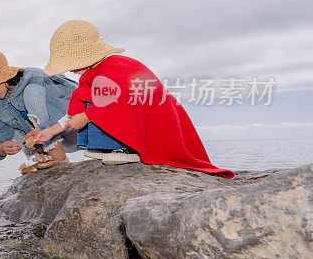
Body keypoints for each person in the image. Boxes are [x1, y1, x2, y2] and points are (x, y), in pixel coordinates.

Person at [30, 20, 234, 178]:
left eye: (71, 62)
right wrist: (51, 132)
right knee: (87, 101)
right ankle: (105, 145)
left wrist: (85, 117)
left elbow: (121, 101)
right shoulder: (91, 75)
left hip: (154, 122)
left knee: (95, 106)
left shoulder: (116, 66)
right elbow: (77, 109)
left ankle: (124, 147)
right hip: (133, 115)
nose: (70, 69)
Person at [0, 51, 78, 172]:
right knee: (7, 123)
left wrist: (45, 127)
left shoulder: (35, 78)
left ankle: (57, 156)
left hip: (74, 130)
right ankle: (43, 158)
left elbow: (72, 105)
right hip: (54, 141)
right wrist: (2, 148)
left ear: (4, 78)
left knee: (32, 93)